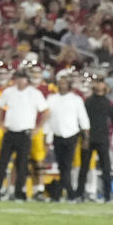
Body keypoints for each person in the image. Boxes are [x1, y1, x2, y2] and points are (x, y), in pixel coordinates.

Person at [0, 69, 47, 201]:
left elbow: (45, 111)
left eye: (23, 78)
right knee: (2, 163)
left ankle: (18, 192)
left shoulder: (35, 93)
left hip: (25, 132)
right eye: (18, 78)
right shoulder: (8, 92)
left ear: (27, 80)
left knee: (22, 165)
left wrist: (38, 127)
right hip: (10, 131)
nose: (20, 80)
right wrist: (0, 122)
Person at [77, 74, 113, 202]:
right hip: (89, 139)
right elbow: (81, 121)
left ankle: (107, 196)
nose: (99, 85)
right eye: (97, 82)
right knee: (84, 168)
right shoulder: (87, 101)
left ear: (105, 86)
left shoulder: (108, 103)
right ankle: (79, 194)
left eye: (101, 82)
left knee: (106, 169)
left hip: (103, 139)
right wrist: (83, 137)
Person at [45, 69, 89, 201]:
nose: (62, 85)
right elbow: (48, 119)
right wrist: (46, 136)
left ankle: (64, 192)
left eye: (65, 83)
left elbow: (83, 118)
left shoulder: (76, 99)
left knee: (67, 164)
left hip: (72, 134)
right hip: (57, 134)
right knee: (61, 165)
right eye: (61, 83)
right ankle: (67, 192)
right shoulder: (51, 99)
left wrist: (86, 135)